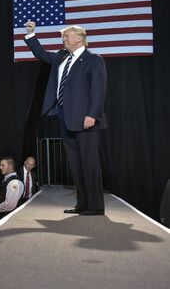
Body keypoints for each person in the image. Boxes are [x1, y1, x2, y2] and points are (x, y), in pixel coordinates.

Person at [24, 21, 107, 215]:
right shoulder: (61, 57)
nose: (63, 39)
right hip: (65, 118)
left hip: (87, 121)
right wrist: (31, 35)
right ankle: (83, 204)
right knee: (76, 164)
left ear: (79, 39)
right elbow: (41, 54)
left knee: (89, 164)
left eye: (66, 36)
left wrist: (92, 115)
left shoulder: (94, 60)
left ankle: (95, 206)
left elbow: (98, 91)